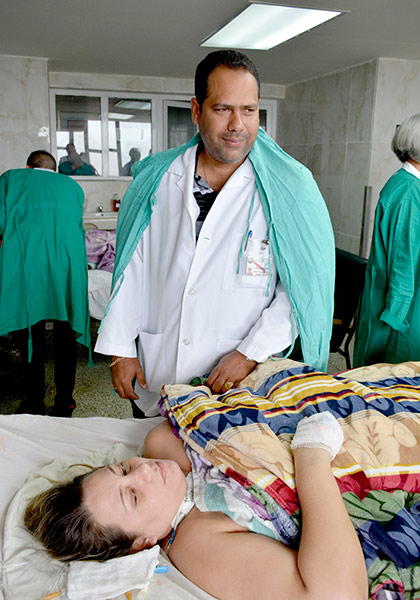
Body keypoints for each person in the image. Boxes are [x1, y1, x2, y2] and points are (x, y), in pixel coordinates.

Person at [95, 50, 335, 416]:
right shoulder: (156, 179)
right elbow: (133, 268)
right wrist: (121, 350)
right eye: (223, 109)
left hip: (239, 380)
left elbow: (302, 291)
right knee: (155, 464)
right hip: (160, 367)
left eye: (249, 110)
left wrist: (249, 352)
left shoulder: (291, 188)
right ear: (197, 111)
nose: (238, 124)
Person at [24, 414, 368, 600]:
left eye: (122, 469)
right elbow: (335, 593)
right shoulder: (198, 542)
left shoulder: (162, 452)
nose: (143, 471)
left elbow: (178, 424)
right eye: (133, 496)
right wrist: (312, 458)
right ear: (143, 542)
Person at [0, 150, 91, 415]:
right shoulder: (73, 186)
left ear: (29, 167)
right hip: (68, 267)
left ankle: (35, 402)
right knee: (66, 334)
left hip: (30, 265)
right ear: (55, 170)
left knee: (32, 333)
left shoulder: (11, 179)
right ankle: (64, 402)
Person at [354, 113, 420, 366]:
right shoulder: (408, 191)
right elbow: (403, 262)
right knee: (387, 375)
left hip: (396, 300)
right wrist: (397, 316)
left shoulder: (406, 184)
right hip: (397, 311)